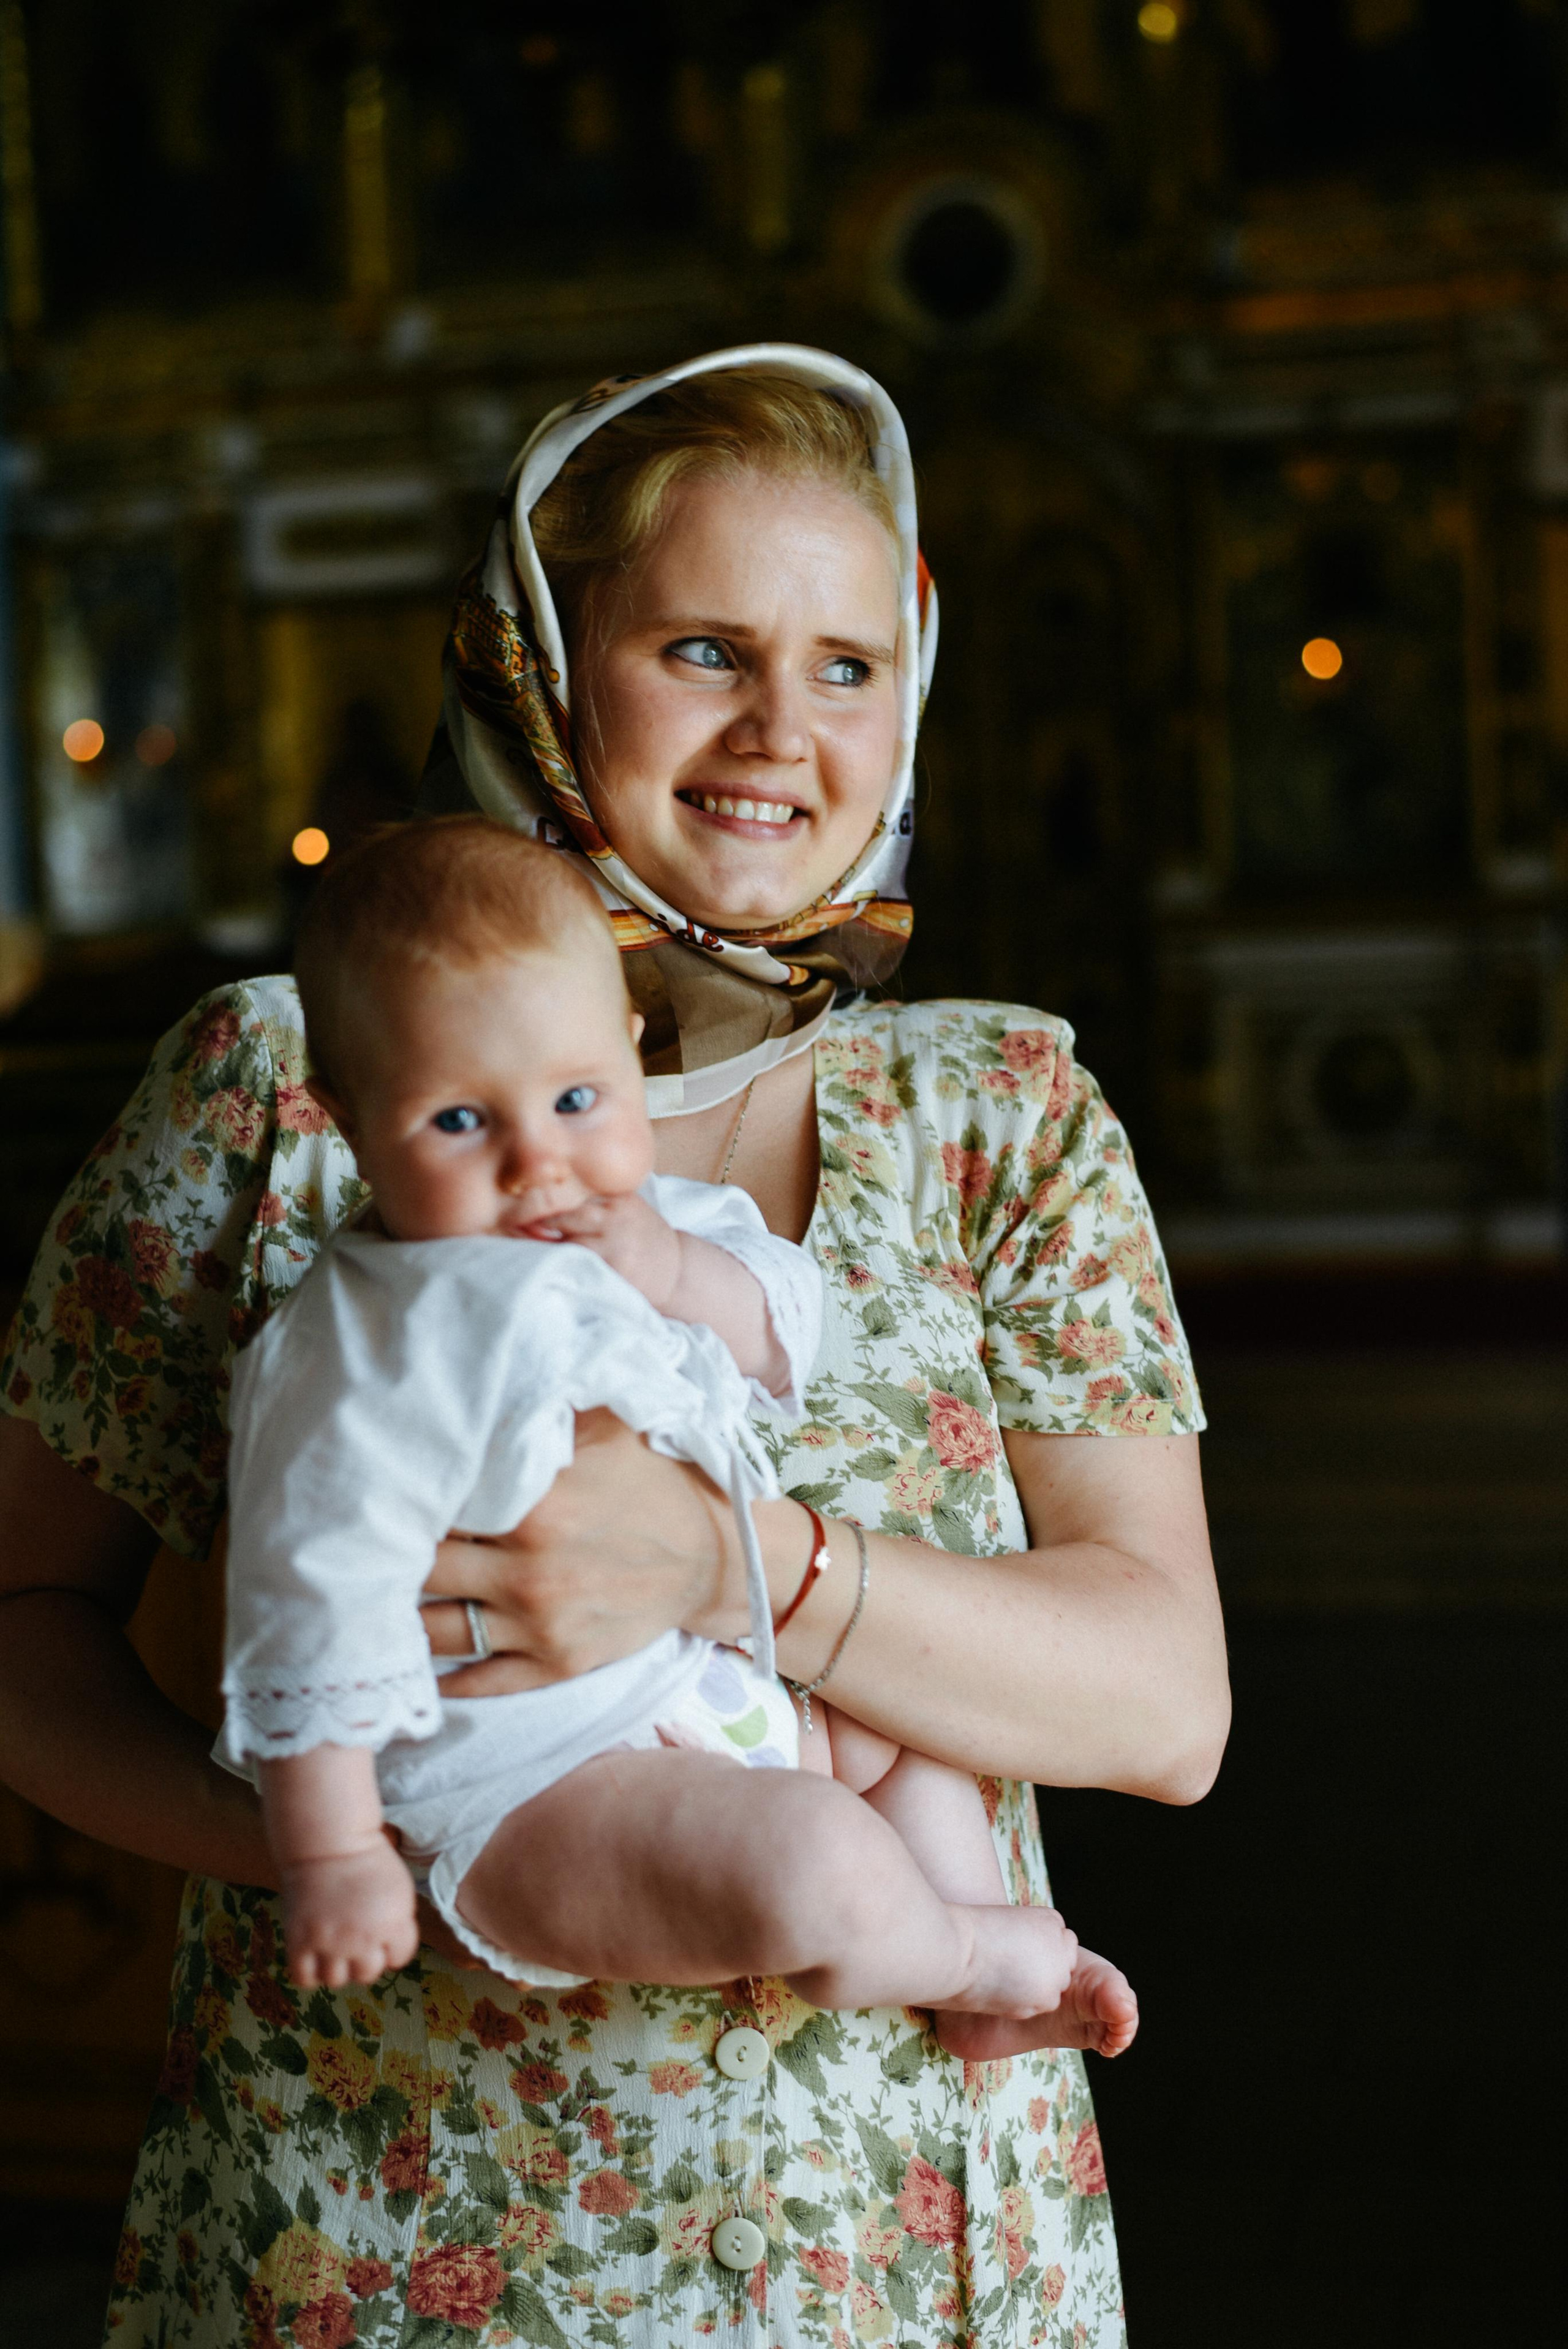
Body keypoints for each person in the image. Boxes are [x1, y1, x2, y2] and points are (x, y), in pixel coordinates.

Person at [0, 346, 1227, 2349]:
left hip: (899, 2257)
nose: (782, 731)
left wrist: (733, 1567)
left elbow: (1165, 1706)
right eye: (704, 649)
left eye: (848, 662)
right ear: (548, 659)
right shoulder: (274, 1085)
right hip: (384, 2236)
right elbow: (20, 1615)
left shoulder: (1003, 1113)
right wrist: (321, 1831)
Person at [226, 814, 1136, 2067]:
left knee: (921, 1724)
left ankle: (972, 1966)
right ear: (344, 1114)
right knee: (810, 1864)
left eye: (575, 1098)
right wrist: (327, 1852)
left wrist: (672, 1268)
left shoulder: (657, 1224)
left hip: (731, 1686)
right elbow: (301, 1602)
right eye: (455, 1123)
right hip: (533, 1784)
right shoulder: (352, 1348)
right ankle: (966, 1954)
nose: (536, 1160)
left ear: (628, 1051)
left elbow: (784, 1333)